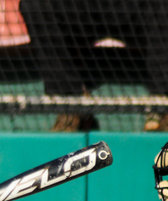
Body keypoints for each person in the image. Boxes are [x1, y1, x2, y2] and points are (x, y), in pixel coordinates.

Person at [19, 0, 168, 132]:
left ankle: (162, 106)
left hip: (134, 6)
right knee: (35, 4)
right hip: (86, 8)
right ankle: (71, 104)